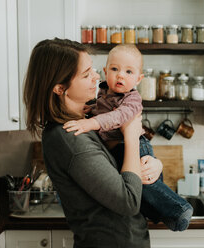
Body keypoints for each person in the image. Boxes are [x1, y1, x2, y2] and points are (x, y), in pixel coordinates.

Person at [23, 38, 164, 248]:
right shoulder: (71, 137)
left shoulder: (87, 122)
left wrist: (155, 165)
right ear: (60, 88)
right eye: (87, 74)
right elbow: (129, 201)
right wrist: (132, 136)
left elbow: (125, 170)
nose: (97, 76)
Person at [63, 44, 193, 231]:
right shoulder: (102, 92)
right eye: (115, 69)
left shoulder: (132, 99)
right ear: (106, 71)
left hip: (136, 145)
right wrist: (88, 111)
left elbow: (118, 117)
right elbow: (99, 109)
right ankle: (162, 214)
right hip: (119, 147)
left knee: (144, 182)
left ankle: (179, 208)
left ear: (139, 79)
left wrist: (91, 123)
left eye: (128, 71)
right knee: (137, 188)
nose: (120, 75)